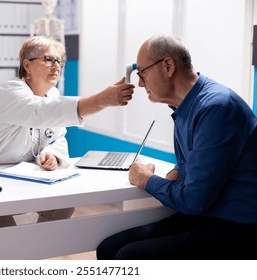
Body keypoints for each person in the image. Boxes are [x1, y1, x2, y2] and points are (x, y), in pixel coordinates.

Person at [96, 34, 257, 260]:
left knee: (129, 256)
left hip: (235, 224)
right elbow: (200, 160)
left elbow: (194, 200)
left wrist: (146, 180)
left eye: (142, 73)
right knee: (109, 248)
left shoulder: (216, 108)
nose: (140, 83)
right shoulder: (185, 106)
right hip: (206, 214)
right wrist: (178, 170)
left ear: (168, 66)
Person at [0, 35, 135, 225]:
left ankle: (36, 247)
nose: (56, 65)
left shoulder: (52, 94)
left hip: (17, 175)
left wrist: (51, 154)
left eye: (59, 61)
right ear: (27, 65)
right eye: (48, 59)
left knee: (62, 205)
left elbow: (58, 137)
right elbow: (39, 112)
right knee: (2, 227)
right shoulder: (9, 92)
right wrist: (103, 99)